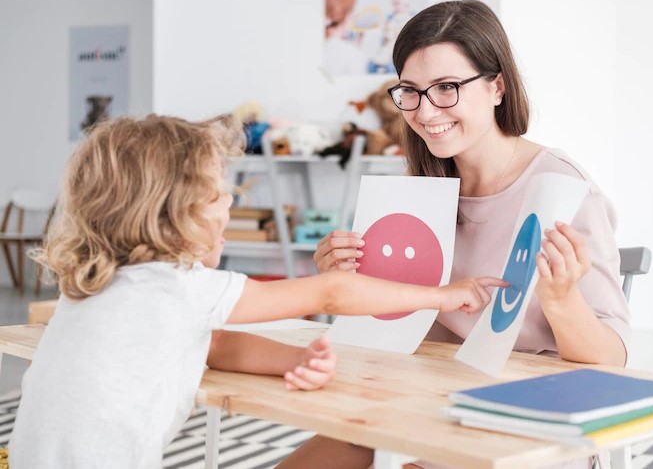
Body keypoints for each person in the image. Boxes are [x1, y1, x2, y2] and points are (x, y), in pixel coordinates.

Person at [8, 114, 506, 468]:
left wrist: (287, 362)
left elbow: (214, 344)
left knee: (353, 447)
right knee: (357, 447)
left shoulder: (101, 287)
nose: (230, 202)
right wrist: (442, 296)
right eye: (216, 193)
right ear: (170, 214)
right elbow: (332, 293)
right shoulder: (173, 288)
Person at [279, 0, 630, 469]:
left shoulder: (563, 191)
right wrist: (343, 278)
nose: (425, 112)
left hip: (538, 424)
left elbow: (613, 360)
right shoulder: (419, 188)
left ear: (497, 86)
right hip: (433, 402)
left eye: (447, 88)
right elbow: (398, 322)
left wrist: (562, 297)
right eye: (411, 91)